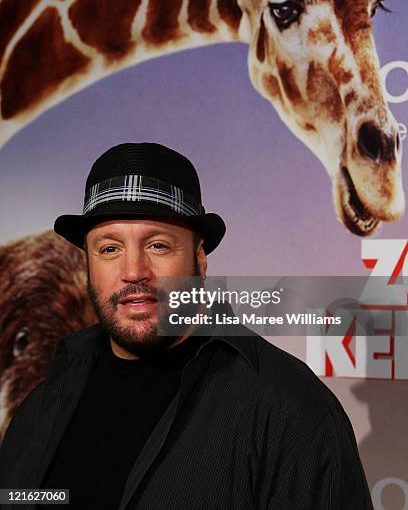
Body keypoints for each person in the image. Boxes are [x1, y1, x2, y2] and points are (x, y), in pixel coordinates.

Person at [0, 142, 373, 510]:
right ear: (88, 263)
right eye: (109, 249)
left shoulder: (291, 411)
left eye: (158, 245)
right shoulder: (42, 406)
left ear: (200, 259)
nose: (133, 272)